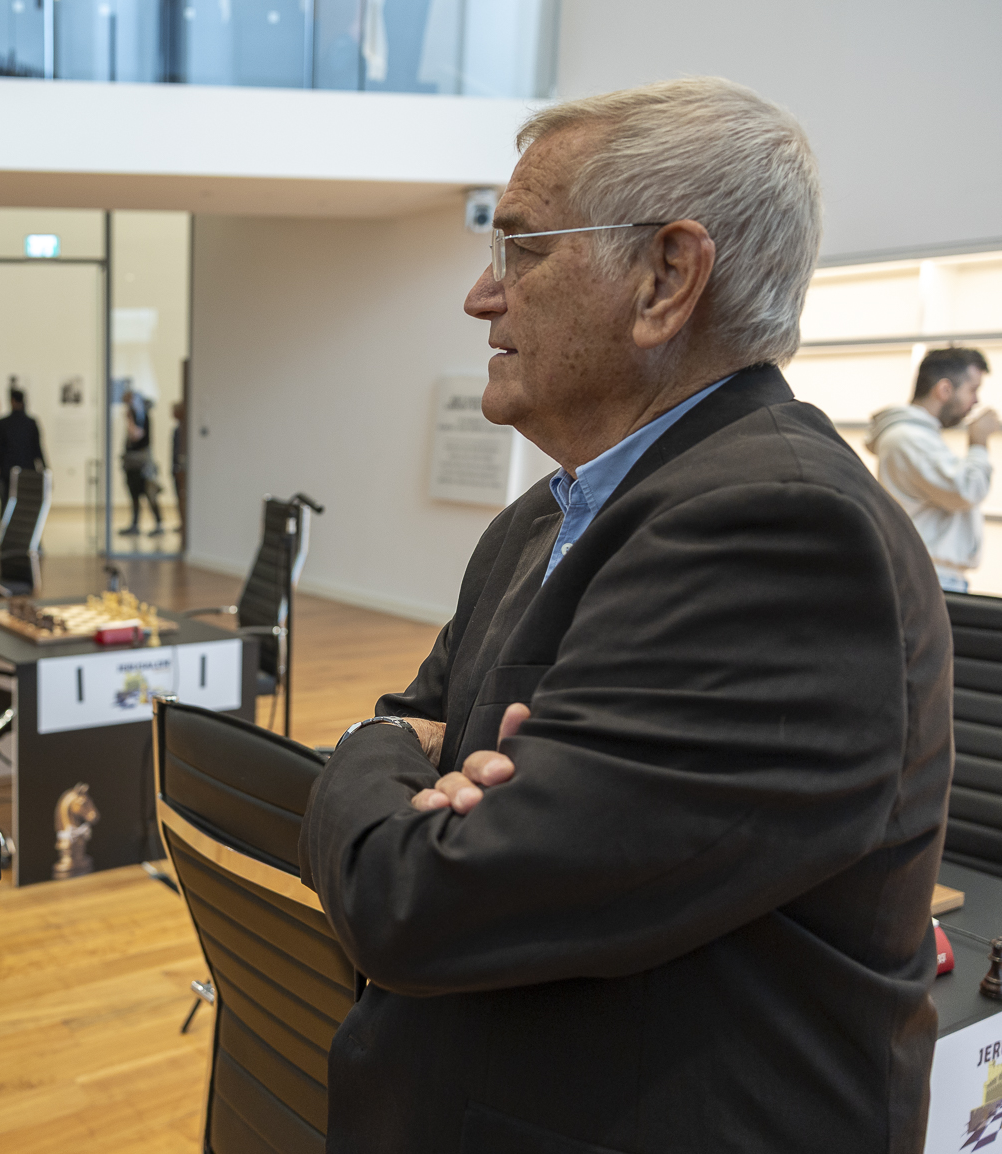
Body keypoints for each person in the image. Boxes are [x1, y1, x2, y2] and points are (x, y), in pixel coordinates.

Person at [301, 77, 952, 1152]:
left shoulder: (779, 530)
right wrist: (421, 758)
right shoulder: (540, 520)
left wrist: (371, 746)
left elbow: (412, 899)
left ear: (665, 278)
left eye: (521, 248)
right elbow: (427, 734)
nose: (480, 295)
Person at [867, 347, 996, 592]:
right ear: (944, 389)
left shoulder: (919, 435)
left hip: (933, 574)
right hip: (929, 576)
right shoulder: (908, 438)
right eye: (972, 390)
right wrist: (978, 442)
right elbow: (967, 490)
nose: (976, 401)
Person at [0, 386, 44, 511]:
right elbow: (38, 449)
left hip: (7, 469)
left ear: (12, 401)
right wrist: (44, 467)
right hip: (26, 469)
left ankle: (6, 521)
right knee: (24, 502)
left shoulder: (2, 423)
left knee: (6, 501)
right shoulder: (31, 423)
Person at [118, 389, 163, 537]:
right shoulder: (137, 415)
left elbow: (136, 435)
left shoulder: (142, 417)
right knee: (134, 495)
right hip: (133, 463)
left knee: (149, 493)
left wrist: (129, 420)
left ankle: (159, 524)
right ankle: (135, 524)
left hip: (142, 464)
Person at [169, 399, 186, 538]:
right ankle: (182, 523)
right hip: (176, 468)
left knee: (183, 497)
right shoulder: (177, 430)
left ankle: (185, 524)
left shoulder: (185, 430)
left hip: (181, 469)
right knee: (178, 498)